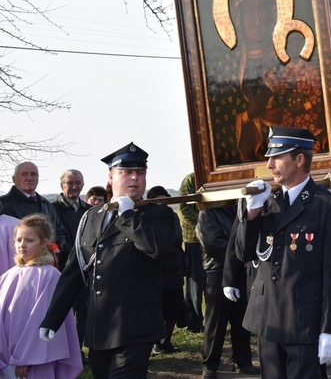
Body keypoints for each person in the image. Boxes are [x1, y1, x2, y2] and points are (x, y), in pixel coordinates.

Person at [40, 142, 176, 378]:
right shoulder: (92, 216)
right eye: (126, 173)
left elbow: (156, 247)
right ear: (111, 177)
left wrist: (128, 216)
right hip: (100, 327)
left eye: (140, 173)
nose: (134, 178)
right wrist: (52, 319)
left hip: (136, 327)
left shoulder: (157, 213)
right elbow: (75, 271)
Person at [234, 127, 331, 378]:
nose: (269, 164)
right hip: (268, 318)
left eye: (277, 158)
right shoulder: (265, 202)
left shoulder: (327, 204)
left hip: (304, 321)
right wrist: (251, 214)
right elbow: (244, 253)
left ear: (299, 160)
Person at [0, 214, 82, 379]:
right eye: (18, 240)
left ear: (44, 243)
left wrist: (27, 358)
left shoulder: (49, 275)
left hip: (31, 360)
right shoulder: (9, 274)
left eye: (29, 240)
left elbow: (43, 318)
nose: (22, 245)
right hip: (6, 356)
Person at [196, 203, 257, 378]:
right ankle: (210, 365)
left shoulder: (239, 209)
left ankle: (243, 361)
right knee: (216, 322)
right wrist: (239, 258)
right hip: (217, 271)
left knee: (241, 319)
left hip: (241, 271)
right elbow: (213, 244)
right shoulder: (207, 213)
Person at [53, 169, 91, 363]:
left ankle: (77, 351)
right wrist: (77, 255)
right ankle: (62, 353)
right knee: (64, 312)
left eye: (78, 183)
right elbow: (57, 238)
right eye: (70, 183)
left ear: (83, 185)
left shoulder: (88, 209)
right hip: (63, 269)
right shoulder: (53, 208)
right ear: (62, 186)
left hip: (86, 269)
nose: (74, 186)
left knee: (83, 312)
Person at [146, 185, 185, 355]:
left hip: (174, 267)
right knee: (157, 310)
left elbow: (177, 238)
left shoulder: (172, 215)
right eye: (157, 199)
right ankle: (156, 342)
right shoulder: (146, 217)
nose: (161, 202)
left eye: (164, 198)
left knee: (174, 308)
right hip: (156, 269)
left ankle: (166, 340)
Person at [0, 162, 68, 259]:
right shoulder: (4, 205)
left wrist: (56, 250)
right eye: (24, 174)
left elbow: (60, 231)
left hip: (50, 261)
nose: (29, 178)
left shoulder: (47, 205)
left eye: (33, 174)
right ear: (14, 179)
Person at [178, 172, 207, 334]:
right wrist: (205, 227)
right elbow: (184, 209)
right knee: (195, 285)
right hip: (194, 240)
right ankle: (194, 322)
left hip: (218, 239)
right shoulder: (190, 179)